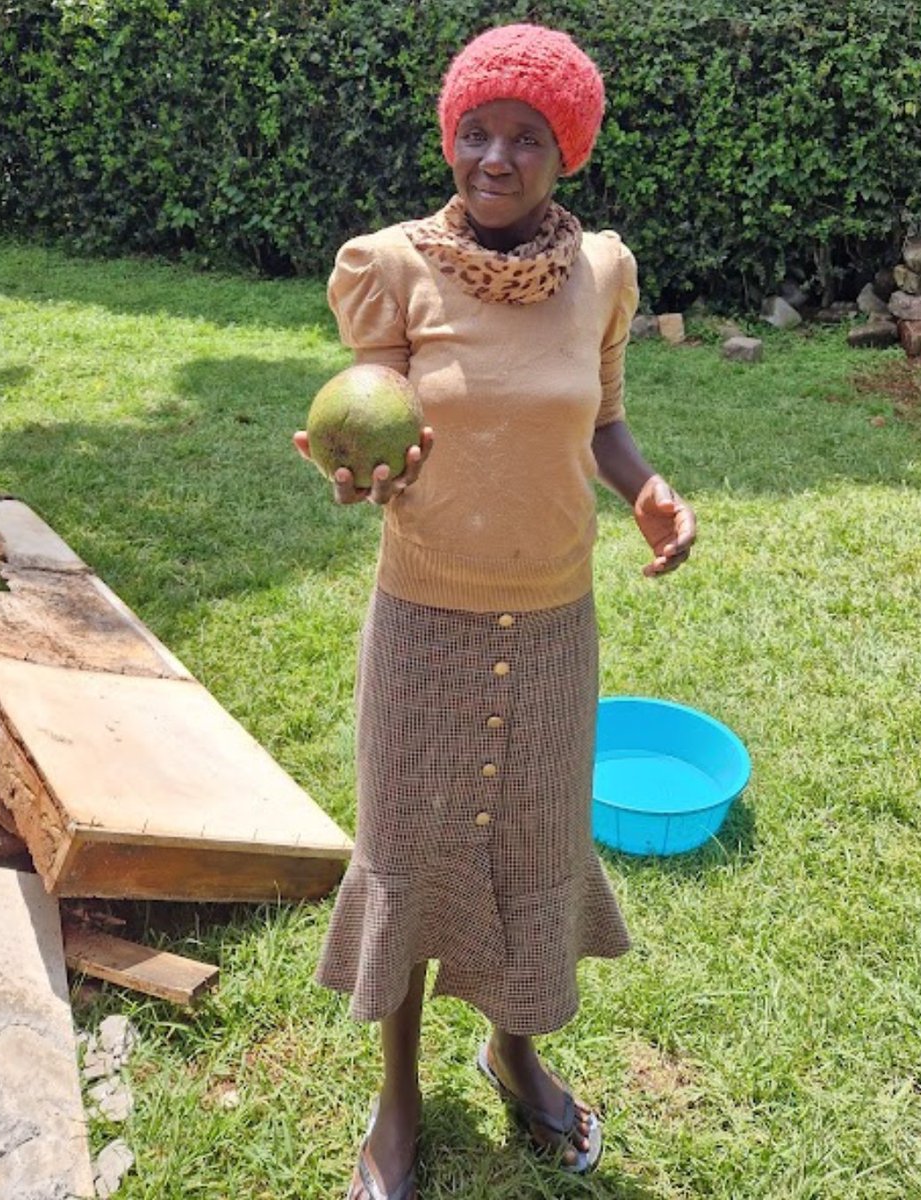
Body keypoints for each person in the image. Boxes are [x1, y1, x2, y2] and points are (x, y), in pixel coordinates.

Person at [294, 23, 696, 1200]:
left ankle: (515, 1054)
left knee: (535, 853)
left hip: (556, 618)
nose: (497, 157)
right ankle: (398, 1098)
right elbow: (371, 412)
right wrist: (356, 471)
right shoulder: (393, 268)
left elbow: (603, 418)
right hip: (423, 616)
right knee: (410, 852)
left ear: (565, 152)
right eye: (477, 130)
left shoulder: (604, 273)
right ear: (450, 139)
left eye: (528, 136)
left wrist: (645, 489)